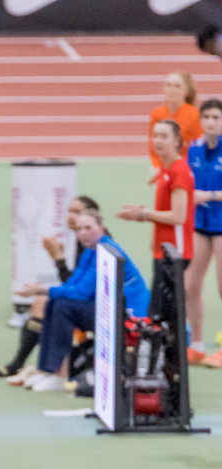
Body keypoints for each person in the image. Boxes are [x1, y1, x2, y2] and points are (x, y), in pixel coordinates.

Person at [15, 210, 149, 392]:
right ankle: (47, 370)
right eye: (78, 229)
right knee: (54, 302)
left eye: (88, 228)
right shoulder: (90, 251)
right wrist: (48, 291)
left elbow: (82, 293)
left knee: (62, 307)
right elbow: (72, 284)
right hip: (108, 307)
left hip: (128, 315)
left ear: (101, 227)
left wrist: (40, 290)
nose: (83, 233)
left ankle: (60, 374)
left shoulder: (107, 251)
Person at [0, 195, 103, 381]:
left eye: (77, 212)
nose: (71, 216)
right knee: (43, 302)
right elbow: (73, 282)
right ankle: (32, 366)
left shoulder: (94, 243)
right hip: (89, 298)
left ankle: (43, 369)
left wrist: (58, 259)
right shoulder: (81, 240)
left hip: (98, 304)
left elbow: (78, 289)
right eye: (69, 211)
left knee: (47, 304)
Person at [118, 119, 195, 317]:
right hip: (163, 251)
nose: (158, 141)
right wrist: (142, 215)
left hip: (175, 252)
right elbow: (164, 211)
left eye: (164, 136)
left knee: (163, 314)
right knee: (160, 313)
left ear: (177, 140)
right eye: (155, 136)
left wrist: (143, 214)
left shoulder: (179, 171)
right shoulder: (165, 169)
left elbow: (178, 216)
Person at [185, 98, 222, 367]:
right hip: (200, 224)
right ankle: (196, 345)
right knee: (189, 286)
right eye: (206, 117)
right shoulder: (194, 149)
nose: (211, 122)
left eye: (216, 117)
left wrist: (209, 195)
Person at [149, 73, 202, 176]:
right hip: (164, 169)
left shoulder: (194, 115)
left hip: (187, 169)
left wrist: (183, 170)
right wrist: (157, 169)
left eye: (177, 86)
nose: (171, 90)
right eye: (168, 85)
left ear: (186, 91)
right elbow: (153, 148)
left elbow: (198, 147)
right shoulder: (157, 114)